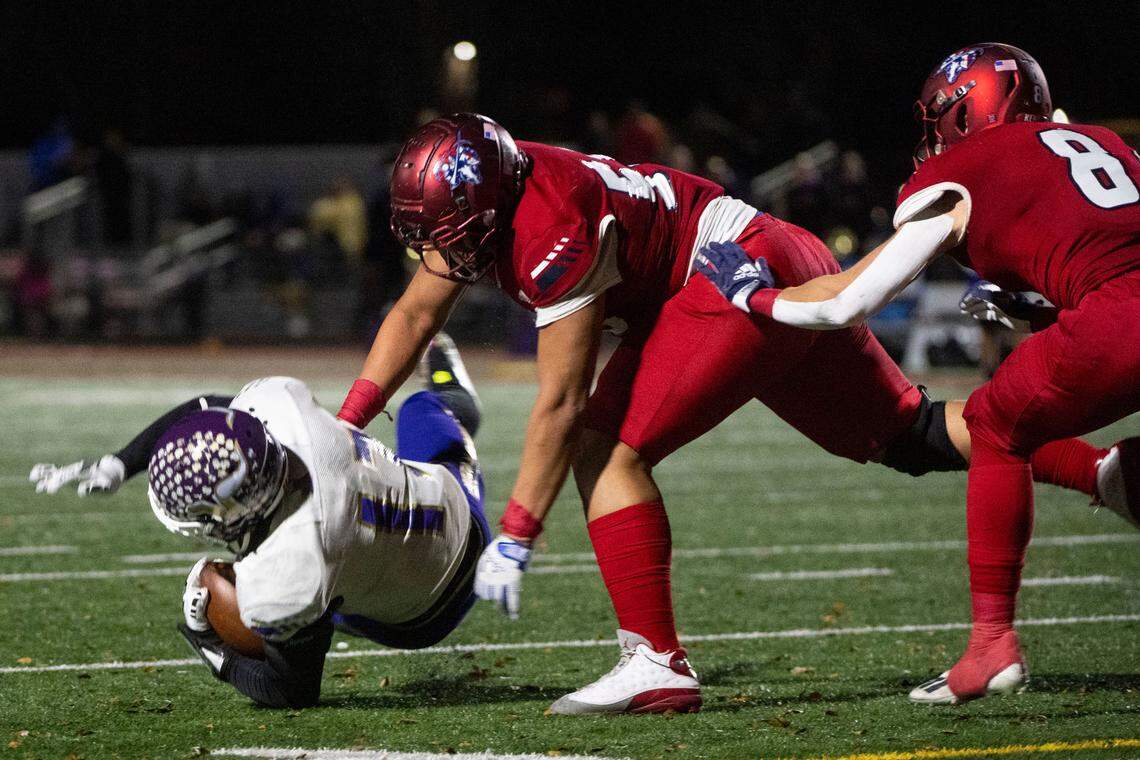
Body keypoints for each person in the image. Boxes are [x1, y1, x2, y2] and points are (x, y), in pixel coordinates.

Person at [335, 113, 1118, 715]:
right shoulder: (501, 189)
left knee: (605, 448)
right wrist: (351, 420)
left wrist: (516, 534)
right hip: (768, 252)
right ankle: (1107, 476)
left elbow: (563, 402)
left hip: (727, 272)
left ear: (485, 206)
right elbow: (414, 315)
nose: (438, 254)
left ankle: (654, 661)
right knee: (909, 433)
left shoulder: (551, 222)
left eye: (447, 234)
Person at [692, 43, 1140, 705]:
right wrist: (1038, 302)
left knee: (992, 425)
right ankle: (1123, 477)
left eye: (939, 119)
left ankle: (991, 647)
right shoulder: (1104, 141)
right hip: (1118, 308)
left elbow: (847, 302)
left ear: (967, 108)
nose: (933, 138)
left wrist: (753, 296)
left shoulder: (965, 167)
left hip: (1118, 319)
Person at [30, 337, 488, 708]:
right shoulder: (281, 410)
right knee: (422, 410)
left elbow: (291, 690)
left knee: (275, 605)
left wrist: (209, 643)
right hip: (445, 505)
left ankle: (451, 387)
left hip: (425, 614)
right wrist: (121, 462)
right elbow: (205, 411)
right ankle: (448, 394)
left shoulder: (291, 566)